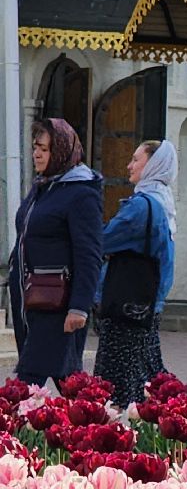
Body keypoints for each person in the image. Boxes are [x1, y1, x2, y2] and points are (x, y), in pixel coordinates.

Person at [8, 119, 102, 387]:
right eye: (35, 147)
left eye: (44, 149)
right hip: (31, 300)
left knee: (27, 382)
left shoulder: (81, 194)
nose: (36, 154)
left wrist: (79, 307)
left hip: (58, 303)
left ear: (60, 151)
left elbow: (89, 254)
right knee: (67, 381)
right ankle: (94, 414)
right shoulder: (43, 187)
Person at [94, 139, 176, 406]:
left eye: (136, 159)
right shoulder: (163, 202)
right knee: (144, 375)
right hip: (146, 301)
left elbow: (103, 240)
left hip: (125, 303)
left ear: (153, 165)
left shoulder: (141, 206)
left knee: (117, 383)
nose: (129, 165)